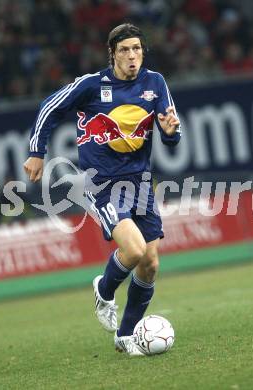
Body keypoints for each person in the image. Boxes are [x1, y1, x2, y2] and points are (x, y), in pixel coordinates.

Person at [24, 23, 181, 356]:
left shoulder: (155, 83)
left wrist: (170, 132)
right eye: (124, 50)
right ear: (112, 54)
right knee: (135, 251)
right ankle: (105, 289)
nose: (132, 56)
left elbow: (170, 131)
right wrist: (37, 152)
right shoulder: (92, 86)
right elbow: (50, 107)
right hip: (102, 182)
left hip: (140, 182)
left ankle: (125, 337)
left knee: (150, 264)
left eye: (137, 49)